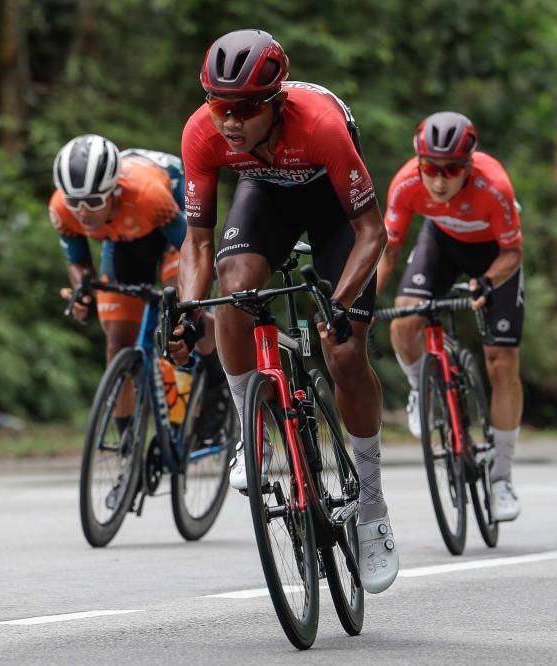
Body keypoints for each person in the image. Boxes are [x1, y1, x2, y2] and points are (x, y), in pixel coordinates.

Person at [166, 29, 397, 593]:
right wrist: (188, 310)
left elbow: (373, 233)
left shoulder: (319, 124)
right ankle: (253, 428)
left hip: (332, 207)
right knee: (234, 284)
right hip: (265, 193)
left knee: (343, 354)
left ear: (275, 102)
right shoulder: (203, 131)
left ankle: (370, 503)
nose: (229, 120)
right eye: (220, 105)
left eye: (244, 109)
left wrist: (338, 306)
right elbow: (197, 243)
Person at [375, 112, 525, 521]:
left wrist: (489, 283)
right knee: (405, 323)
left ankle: (501, 479)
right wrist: (358, 302)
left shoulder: (494, 187)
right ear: (419, 162)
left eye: (452, 170)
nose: (439, 181)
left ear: (469, 166)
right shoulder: (406, 183)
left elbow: (514, 252)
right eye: (431, 169)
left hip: (495, 257)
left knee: (502, 362)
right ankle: (421, 389)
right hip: (440, 242)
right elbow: (388, 252)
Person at [50, 134, 223, 435]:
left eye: (92, 202)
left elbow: (192, 250)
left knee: (179, 319)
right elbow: (78, 262)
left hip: (170, 232)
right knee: (117, 343)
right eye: (74, 202)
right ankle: (127, 447)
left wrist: (189, 310)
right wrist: (83, 292)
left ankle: (216, 385)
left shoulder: (148, 196)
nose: (83, 212)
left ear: (113, 191)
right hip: (123, 240)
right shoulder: (62, 209)